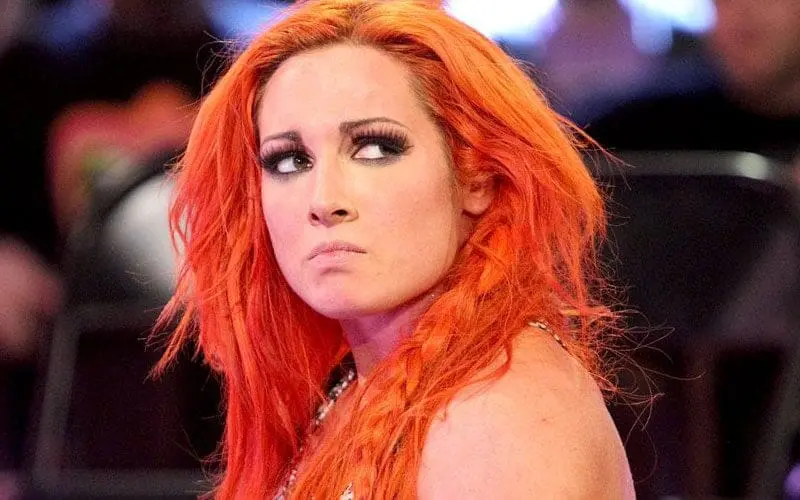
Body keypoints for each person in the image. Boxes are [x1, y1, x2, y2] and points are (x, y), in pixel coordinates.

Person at [156, 0, 635, 497]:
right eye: (290, 160)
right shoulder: (356, 379)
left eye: (375, 149)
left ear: (478, 176)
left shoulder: (502, 412)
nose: (324, 201)